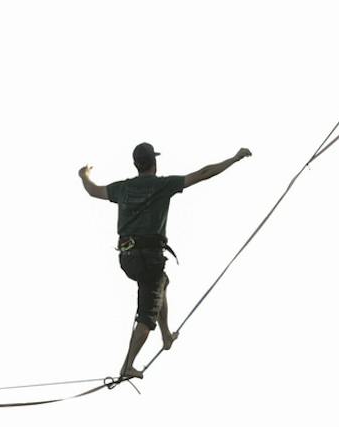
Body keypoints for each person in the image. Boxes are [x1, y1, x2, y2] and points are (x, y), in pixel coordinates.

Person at [80, 141, 252, 381]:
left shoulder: (122, 189)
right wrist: (234, 159)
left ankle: (166, 336)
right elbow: (203, 174)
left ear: (136, 164)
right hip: (148, 259)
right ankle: (127, 365)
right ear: (155, 162)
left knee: (162, 283)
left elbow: (92, 190)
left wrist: (84, 175)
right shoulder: (162, 185)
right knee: (147, 312)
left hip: (127, 258)